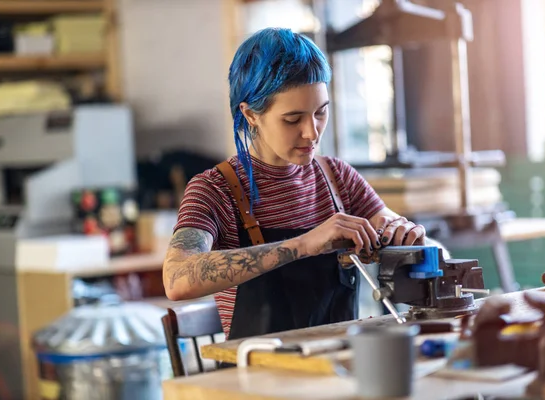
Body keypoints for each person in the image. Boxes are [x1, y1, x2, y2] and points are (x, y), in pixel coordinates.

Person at [163, 27, 446, 340]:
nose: (312, 132)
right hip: (256, 378)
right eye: (293, 119)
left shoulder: (337, 179)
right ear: (251, 114)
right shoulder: (215, 190)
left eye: (321, 113)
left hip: (335, 366)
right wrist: (302, 245)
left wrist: (401, 235)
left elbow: (392, 225)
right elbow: (177, 278)